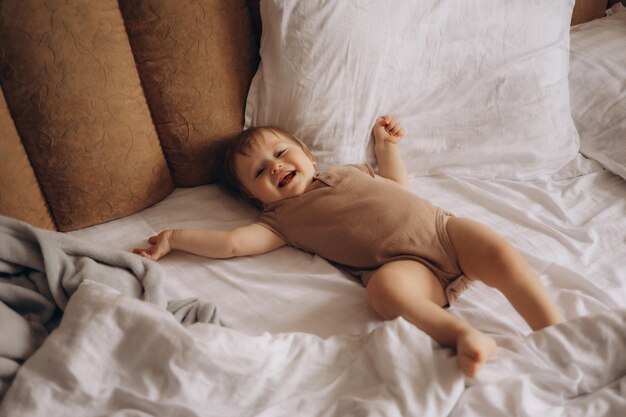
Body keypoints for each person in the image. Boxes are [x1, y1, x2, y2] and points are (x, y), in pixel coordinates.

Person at [133, 116, 563, 378]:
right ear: (256, 199)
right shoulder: (279, 220)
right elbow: (231, 244)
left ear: (310, 156)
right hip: (405, 269)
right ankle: (464, 336)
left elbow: (396, 186)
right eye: (261, 172)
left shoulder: (350, 171)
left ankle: (557, 332)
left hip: (443, 232)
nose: (277, 166)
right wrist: (175, 237)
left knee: (502, 254)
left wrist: (387, 148)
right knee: (383, 292)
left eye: (282, 153)